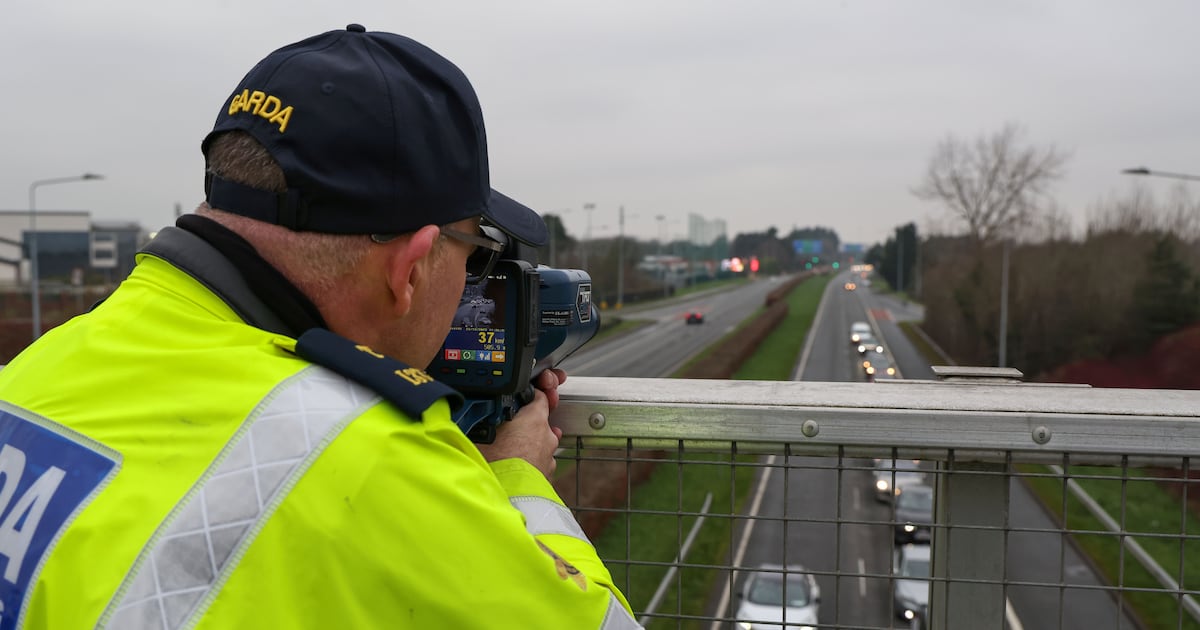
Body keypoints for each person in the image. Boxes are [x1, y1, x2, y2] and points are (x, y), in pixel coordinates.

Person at [0, 25, 640, 629]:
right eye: (471, 255)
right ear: (410, 269)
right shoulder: (367, 457)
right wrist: (515, 478)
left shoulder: (38, 369)